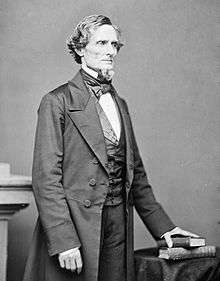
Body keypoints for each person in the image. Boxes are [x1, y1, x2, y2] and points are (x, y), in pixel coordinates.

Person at [23, 14, 198, 281]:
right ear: (80, 49)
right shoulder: (56, 101)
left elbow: (135, 174)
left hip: (118, 224)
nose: (110, 51)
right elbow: (46, 178)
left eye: (114, 45)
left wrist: (165, 229)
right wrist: (63, 240)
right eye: (102, 43)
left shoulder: (120, 104)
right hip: (77, 226)